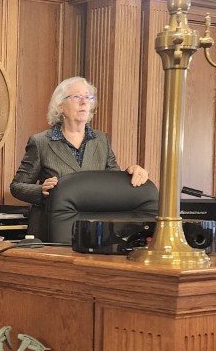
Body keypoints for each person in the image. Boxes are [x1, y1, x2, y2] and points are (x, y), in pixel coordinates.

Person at [10, 77, 149, 240]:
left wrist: (131, 172)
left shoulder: (102, 140)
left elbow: (113, 184)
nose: (84, 102)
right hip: (51, 231)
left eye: (88, 97)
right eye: (76, 97)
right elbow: (17, 186)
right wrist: (41, 191)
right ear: (60, 105)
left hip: (93, 232)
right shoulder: (40, 142)